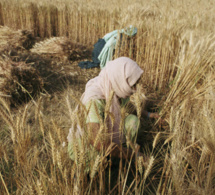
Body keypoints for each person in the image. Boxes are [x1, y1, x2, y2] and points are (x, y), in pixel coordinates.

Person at [67, 57, 159, 172]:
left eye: (136, 84)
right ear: (120, 80)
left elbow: (130, 107)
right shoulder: (95, 100)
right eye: (133, 85)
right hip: (85, 142)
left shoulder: (116, 87)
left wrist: (149, 114)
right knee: (97, 162)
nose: (135, 89)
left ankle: (117, 155)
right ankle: (88, 172)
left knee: (133, 122)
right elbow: (98, 143)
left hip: (106, 135)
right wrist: (135, 155)